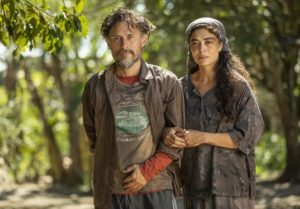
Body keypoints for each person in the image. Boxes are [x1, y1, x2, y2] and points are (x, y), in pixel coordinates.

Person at [81, 8, 184, 209]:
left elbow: (178, 139)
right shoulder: (94, 86)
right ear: (108, 43)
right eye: (117, 38)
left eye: (130, 37)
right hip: (110, 193)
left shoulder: (167, 82)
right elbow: (94, 138)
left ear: (143, 39)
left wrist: (146, 172)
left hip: (156, 188)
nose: (124, 45)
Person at [163, 17, 264, 209]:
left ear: (221, 44)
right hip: (194, 183)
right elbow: (167, 126)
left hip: (231, 185)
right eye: (195, 43)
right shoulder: (179, 87)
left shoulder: (238, 87)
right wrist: (168, 134)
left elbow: (249, 135)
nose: (201, 49)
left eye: (208, 42)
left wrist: (202, 137)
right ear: (189, 48)